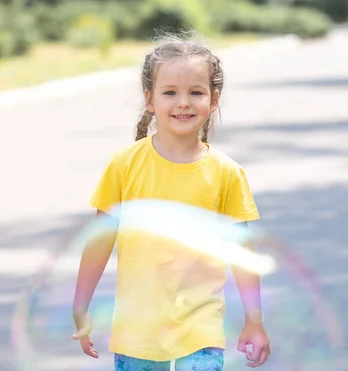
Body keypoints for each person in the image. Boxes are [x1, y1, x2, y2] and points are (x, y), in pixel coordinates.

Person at [71, 31, 270, 370]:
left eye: (196, 92)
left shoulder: (226, 173)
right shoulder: (125, 164)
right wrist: (80, 305)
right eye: (169, 92)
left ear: (214, 98)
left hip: (202, 330)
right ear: (150, 99)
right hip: (137, 333)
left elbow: (242, 252)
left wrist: (254, 319)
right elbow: (100, 240)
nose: (183, 102)